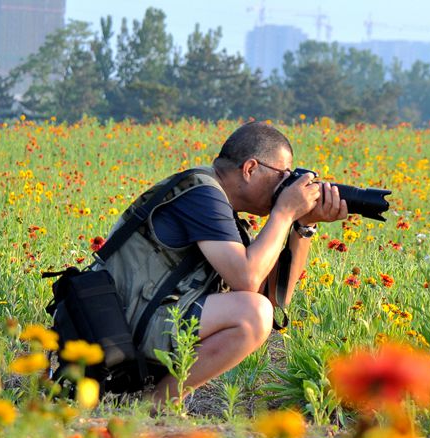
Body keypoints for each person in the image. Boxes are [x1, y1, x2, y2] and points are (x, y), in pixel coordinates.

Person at [94, 121, 347, 406]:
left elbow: (273, 300)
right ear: (250, 168)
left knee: (258, 310)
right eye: (282, 177)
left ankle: (151, 398)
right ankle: (155, 403)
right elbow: (248, 280)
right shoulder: (202, 193)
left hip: (135, 318)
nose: (285, 188)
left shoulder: (218, 203)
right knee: (252, 315)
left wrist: (303, 226)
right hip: (117, 327)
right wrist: (285, 213)